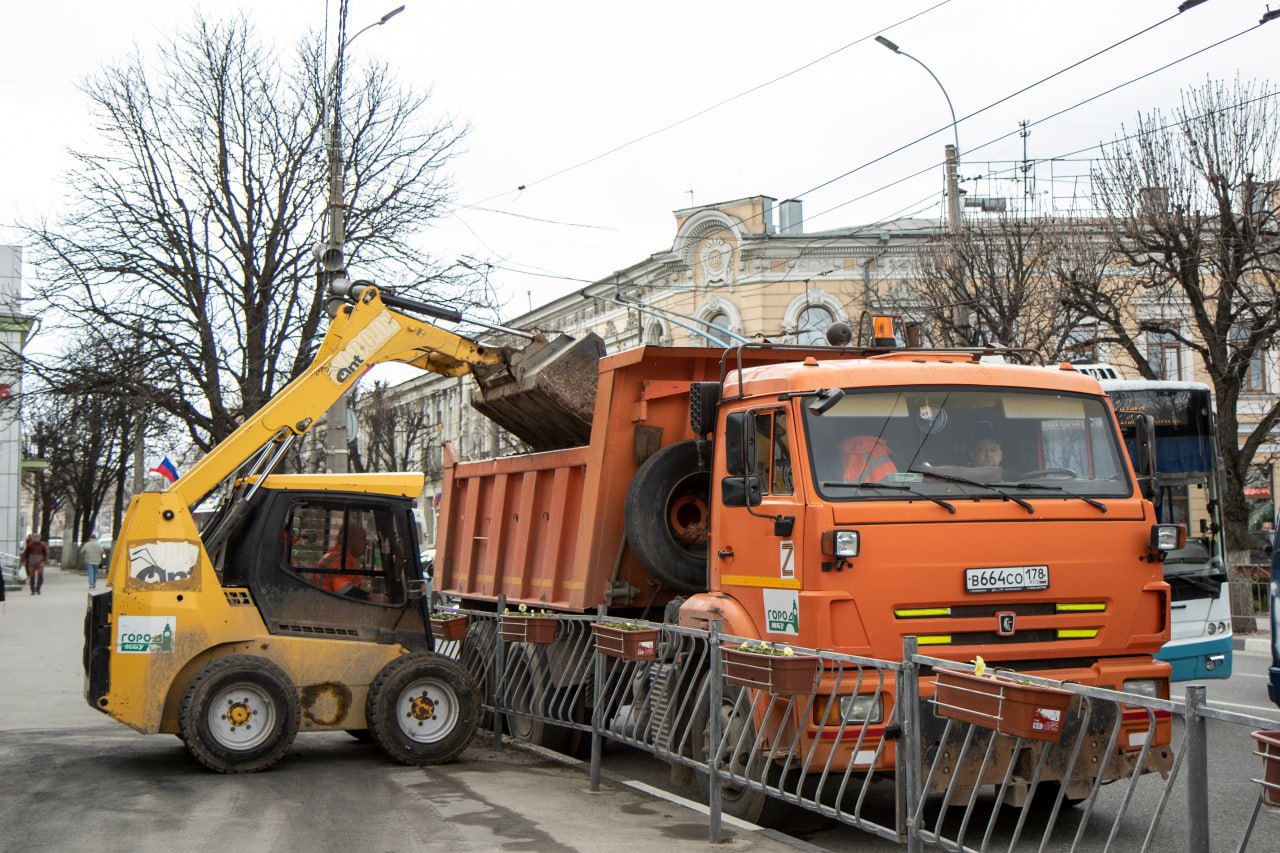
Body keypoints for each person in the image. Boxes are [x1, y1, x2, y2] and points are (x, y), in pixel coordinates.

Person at [315, 521, 371, 599]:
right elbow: (345, 591)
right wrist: (371, 597)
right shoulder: (339, 561)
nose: (367, 542)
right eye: (363, 538)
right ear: (350, 540)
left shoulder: (344, 559)